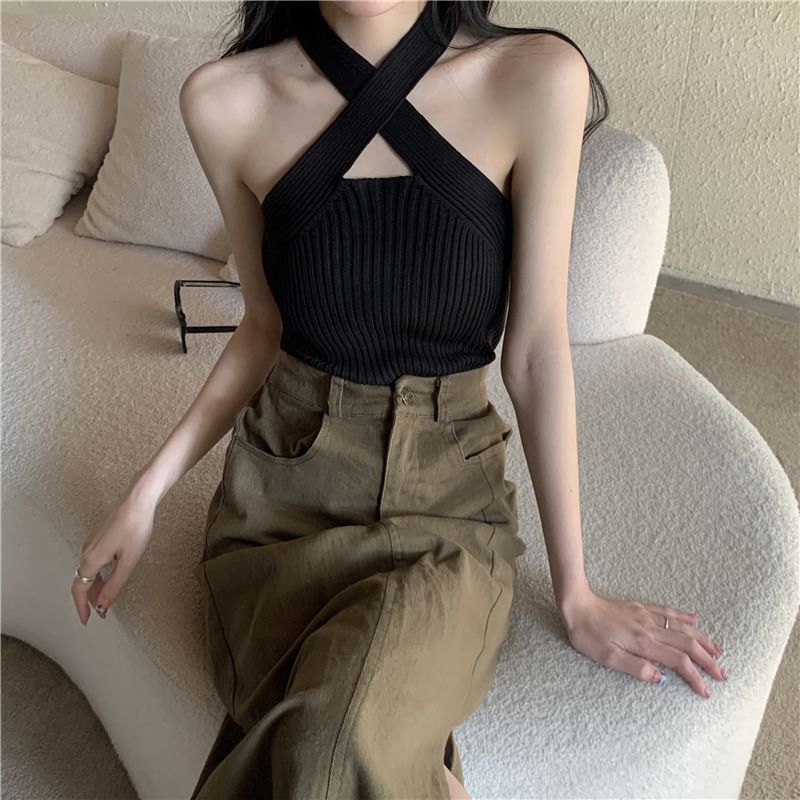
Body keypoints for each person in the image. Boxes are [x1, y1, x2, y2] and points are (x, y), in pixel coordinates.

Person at [70, 2, 727, 798]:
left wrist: (576, 591)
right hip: (282, 502)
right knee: (329, 735)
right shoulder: (224, 100)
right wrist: (145, 495)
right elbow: (263, 328)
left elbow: (535, 352)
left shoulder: (536, 78)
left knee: (323, 740)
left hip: (447, 504)